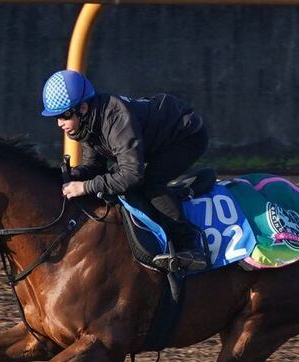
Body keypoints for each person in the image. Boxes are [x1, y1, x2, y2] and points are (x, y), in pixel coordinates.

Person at [41, 69, 209, 272]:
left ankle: (190, 245)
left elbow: (132, 175)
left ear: (83, 108)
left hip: (186, 136)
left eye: (63, 116)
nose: (60, 123)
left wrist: (85, 187)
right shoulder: (88, 123)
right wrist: (69, 176)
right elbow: (94, 167)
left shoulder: (115, 119)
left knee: (150, 183)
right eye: (56, 118)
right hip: (155, 141)